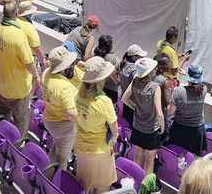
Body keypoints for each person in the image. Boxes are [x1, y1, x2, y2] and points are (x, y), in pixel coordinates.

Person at [0, 1, 39, 135]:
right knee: (20, 121)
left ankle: (2, 139)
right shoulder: (18, 35)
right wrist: (36, 76)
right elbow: (29, 62)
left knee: (3, 118)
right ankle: (17, 148)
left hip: (0, 84)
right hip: (18, 89)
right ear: (16, 14)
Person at [74, 56, 117, 194]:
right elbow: (114, 128)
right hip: (99, 151)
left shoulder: (78, 94)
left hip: (81, 146)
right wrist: (114, 139)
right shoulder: (104, 101)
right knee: (103, 187)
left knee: (83, 185)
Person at [121, 57, 164, 175]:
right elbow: (159, 113)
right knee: (150, 158)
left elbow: (124, 98)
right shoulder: (155, 87)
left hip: (137, 125)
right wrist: (163, 126)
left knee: (137, 154)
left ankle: (135, 177)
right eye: (154, 68)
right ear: (150, 72)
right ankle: (145, 186)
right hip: (151, 128)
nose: (156, 70)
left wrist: (134, 106)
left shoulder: (135, 81)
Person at [41, 46, 79, 170]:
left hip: (49, 119)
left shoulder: (46, 73)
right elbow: (72, 114)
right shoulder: (64, 87)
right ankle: (56, 183)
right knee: (63, 159)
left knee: (58, 145)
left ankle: (49, 168)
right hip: (62, 125)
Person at [168, 64, 208, 156]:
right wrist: (187, 75)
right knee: (194, 158)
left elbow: (170, 111)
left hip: (181, 129)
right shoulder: (204, 89)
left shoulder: (178, 91)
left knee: (178, 157)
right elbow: (197, 84)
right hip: (198, 130)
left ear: (189, 78)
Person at [118, 44, 148, 126]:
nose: (143, 58)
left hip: (124, 100)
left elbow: (112, 73)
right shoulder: (135, 70)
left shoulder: (121, 64)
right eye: (141, 56)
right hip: (133, 103)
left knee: (126, 123)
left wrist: (117, 81)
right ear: (134, 57)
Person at [17, 1, 46, 65]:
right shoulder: (29, 27)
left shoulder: (14, 20)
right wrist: (43, 60)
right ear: (30, 13)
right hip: (28, 58)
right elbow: (36, 47)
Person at [93, 35, 119, 103]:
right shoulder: (113, 58)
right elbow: (113, 73)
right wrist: (118, 82)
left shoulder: (95, 54)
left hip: (97, 84)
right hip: (110, 87)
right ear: (109, 45)